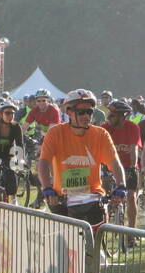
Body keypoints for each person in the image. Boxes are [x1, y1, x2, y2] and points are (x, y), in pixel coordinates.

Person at [36, 89, 126, 225]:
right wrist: (47, 188)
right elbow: (43, 163)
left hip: (92, 198)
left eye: (89, 112)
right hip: (62, 198)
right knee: (66, 241)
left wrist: (121, 185)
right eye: (81, 112)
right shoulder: (55, 133)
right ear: (69, 112)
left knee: (95, 236)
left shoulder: (101, 134)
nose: (86, 116)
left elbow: (115, 163)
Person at [101, 99, 143, 228]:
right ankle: (104, 222)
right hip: (110, 165)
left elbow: (133, 149)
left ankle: (131, 231)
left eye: (112, 115)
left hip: (128, 165)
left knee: (131, 196)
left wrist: (132, 167)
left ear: (121, 116)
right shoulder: (104, 128)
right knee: (104, 194)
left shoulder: (132, 127)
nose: (108, 117)